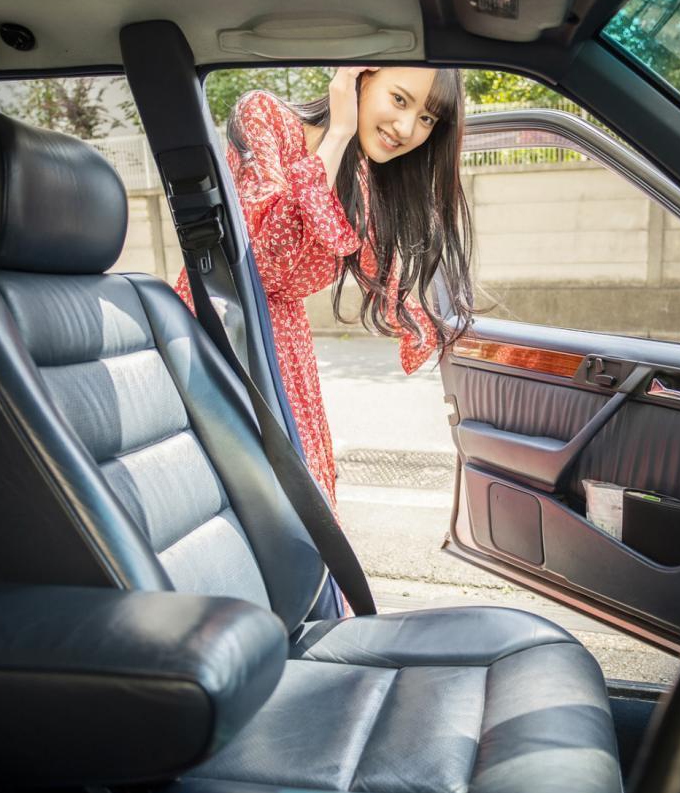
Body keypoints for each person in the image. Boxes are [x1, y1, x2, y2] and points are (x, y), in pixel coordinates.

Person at [175, 66, 473, 513]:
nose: (408, 128)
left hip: (286, 348)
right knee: (245, 504)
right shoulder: (266, 116)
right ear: (359, 78)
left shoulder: (367, 189)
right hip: (222, 327)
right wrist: (337, 135)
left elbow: (393, 288)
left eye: (428, 119)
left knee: (304, 502)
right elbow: (265, 262)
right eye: (399, 100)